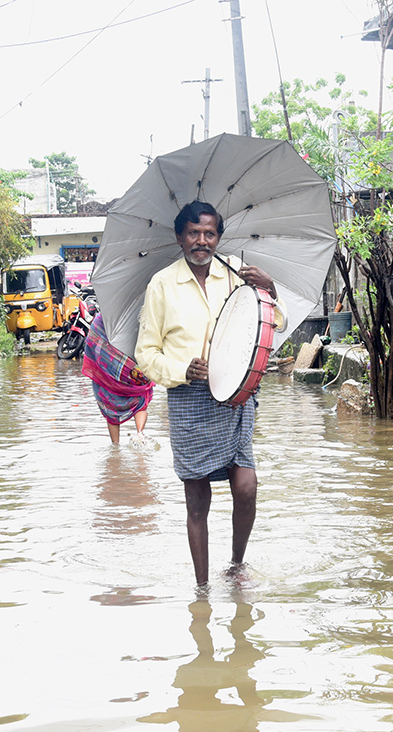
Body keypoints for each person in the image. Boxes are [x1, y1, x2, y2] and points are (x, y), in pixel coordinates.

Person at [135, 201, 282, 586]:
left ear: (218, 236)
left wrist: (270, 289)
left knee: (246, 486)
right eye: (194, 233)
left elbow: (272, 322)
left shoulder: (235, 274)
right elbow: (145, 354)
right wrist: (182, 371)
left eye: (210, 233)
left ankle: (236, 565)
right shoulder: (162, 285)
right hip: (189, 398)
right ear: (180, 236)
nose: (202, 241)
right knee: (197, 501)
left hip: (236, 395)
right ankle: (201, 589)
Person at [81, 313, 153, 443]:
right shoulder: (141, 315)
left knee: (110, 408)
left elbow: (92, 344)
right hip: (133, 369)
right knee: (141, 400)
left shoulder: (100, 319)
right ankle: (140, 434)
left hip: (106, 372)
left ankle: (115, 446)